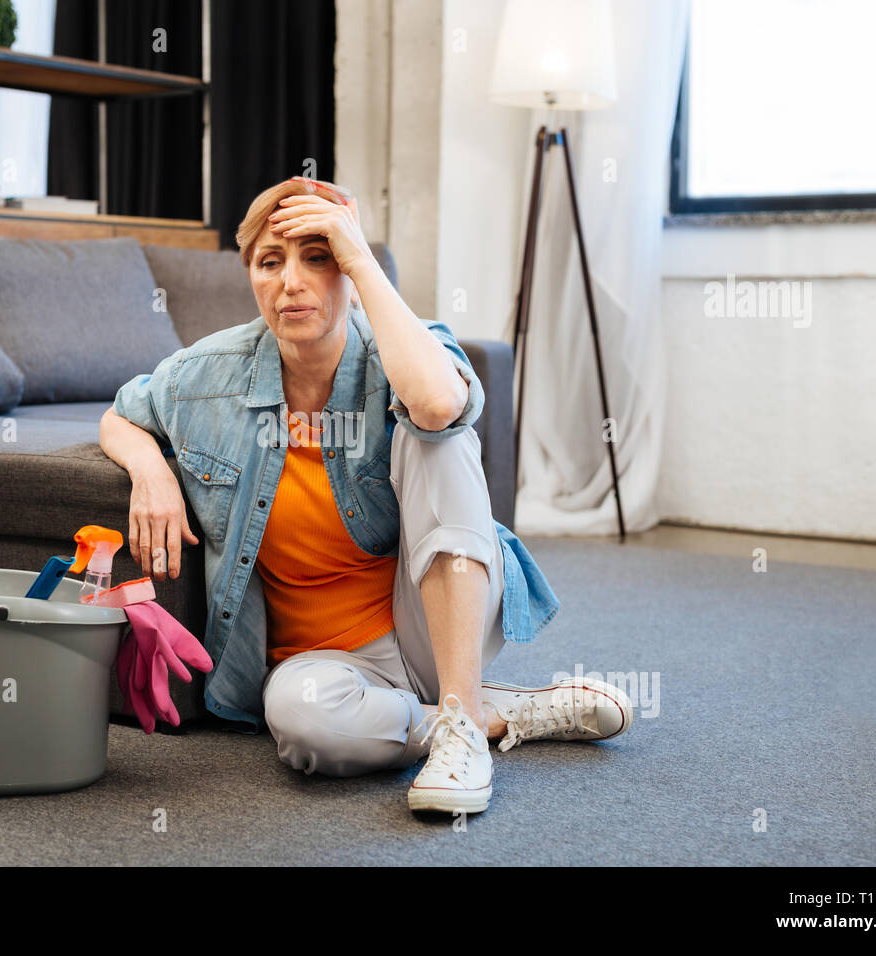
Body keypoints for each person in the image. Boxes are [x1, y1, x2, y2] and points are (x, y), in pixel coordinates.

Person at [99, 176, 633, 815]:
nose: (290, 280)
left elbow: (438, 403)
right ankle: (484, 715)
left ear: (351, 270)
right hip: (321, 666)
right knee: (302, 726)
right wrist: (148, 469)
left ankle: (460, 725)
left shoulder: (404, 352)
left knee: (437, 432)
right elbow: (120, 414)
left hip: (431, 625)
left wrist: (359, 259)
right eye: (270, 262)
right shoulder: (204, 376)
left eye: (317, 257)